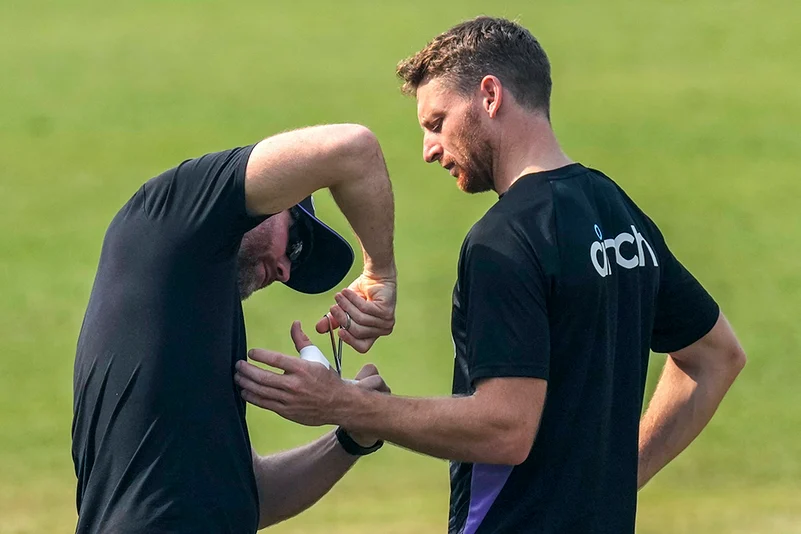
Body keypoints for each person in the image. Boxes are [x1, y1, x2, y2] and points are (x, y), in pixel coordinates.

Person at [234, 16, 747, 534]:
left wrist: (341, 404)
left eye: (436, 122)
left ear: (489, 95)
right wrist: (617, 480)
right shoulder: (619, 215)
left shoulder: (502, 241)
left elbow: (506, 429)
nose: (429, 149)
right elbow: (716, 357)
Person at [71, 124, 397, 533]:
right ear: (274, 202)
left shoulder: (200, 309)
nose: (284, 270)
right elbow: (354, 148)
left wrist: (352, 435)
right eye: (294, 245)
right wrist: (379, 273)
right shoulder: (171, 216)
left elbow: (246, 497)